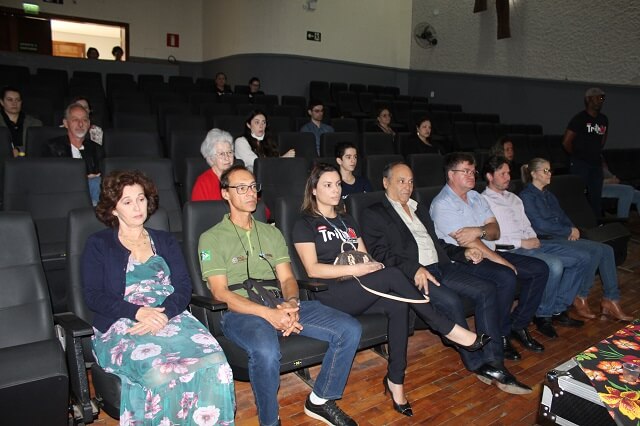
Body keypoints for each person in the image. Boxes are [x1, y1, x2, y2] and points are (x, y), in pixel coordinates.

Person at [293, 163, 490, 418]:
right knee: (394, 274)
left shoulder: (347, 220)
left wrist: (371, 265)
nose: (335, 190)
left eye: (338, 184)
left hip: (359, 287)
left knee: (398, 303)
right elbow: (312, 269)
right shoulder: (305, 223)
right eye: (327, 185)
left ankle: (396, 380)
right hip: (332, 293)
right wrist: (359, 269)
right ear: (314, 190)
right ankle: (446, 327)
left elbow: (365, 256)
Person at [199, 164, 361, 426]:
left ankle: (320, 400)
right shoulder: (211, 238)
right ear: (225, 194)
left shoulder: (271, 232)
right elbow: (220, 292)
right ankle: (269, 421)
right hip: (241, 311)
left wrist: (292, 303)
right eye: (242, 188)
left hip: (279, 302)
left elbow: (287, 279)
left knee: (349, 329)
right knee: (265, 350)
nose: (250, 193)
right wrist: (269, 315)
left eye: (253, 187)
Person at [361, 162, 531, 394]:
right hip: (413, 275)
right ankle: (476, 363)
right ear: (385, 182)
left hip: (441, 267)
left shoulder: (418, 208)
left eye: (410, 181)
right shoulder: (374, 213)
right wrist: (414, 269)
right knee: (450, 301)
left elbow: (437, 244)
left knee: (486, 289)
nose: (407, 186)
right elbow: (380, 254)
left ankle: (494, 361)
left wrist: (463, 252)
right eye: (401, 181)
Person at [82, 170, 235, 424]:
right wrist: (138, 312)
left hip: (170, 314)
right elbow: (93, 296)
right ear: (113, 209)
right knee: (161, 372)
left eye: (141, 199)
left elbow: (183, 286)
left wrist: (164, 314)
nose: (137, 207)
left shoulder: (165, 240)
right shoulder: (99, 244)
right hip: (122, 320)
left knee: (215, 362)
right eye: (127, 201)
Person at [430, 152, 549, 359]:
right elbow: (468, 242)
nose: (471, 175)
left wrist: (478, 230)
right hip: (465, 260)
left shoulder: (476, 197)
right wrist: (502, 261)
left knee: (540, 269)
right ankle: (500, 335)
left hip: (489, 253)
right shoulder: (442, 204)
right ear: (451, 174)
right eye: (465, 171)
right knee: (506, 276)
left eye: (472, 171)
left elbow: (495, 231)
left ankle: (517, 325)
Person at [481, 155, 588, 338]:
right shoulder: (483, 201)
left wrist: (533, 238)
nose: (508, 177)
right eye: (502, 174)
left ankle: (557, 309)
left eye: (509, 173)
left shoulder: (514, 198)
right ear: (490, 176)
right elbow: (490, 238)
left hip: (531, 243)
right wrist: (523, 242)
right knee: (554, 264)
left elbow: (526, 224)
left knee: (581, 258)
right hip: (511, 249)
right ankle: (543, 316)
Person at [519, 157, 633, 321]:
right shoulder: (527, 196)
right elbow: (540, 225)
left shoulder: (548, 195)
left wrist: (574, 229)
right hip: (546, 240)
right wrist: (568, 231)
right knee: (594, 252)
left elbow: (563, 216)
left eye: (550, 170)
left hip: (560, 236)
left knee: (606, 250)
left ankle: (611, 299)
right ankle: (581, 295)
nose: (550, 174)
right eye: (545, 170)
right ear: (533, 174)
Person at [44, 102, 104, 205]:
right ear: (66, 123)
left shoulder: (96, 149)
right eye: (75, 120)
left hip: (91, 195)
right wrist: (83, 179)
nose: (80, 124)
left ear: (89, 124)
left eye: (84, 120)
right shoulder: (52, 147)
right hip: (63, 195)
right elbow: (49, 179)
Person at [562, 87, 608, 216]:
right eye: (597, 97)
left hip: (596, 164)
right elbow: (566, 142)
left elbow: (602, 140)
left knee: (596, 197)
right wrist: (577, 156)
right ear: (588, 100)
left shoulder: (603, 119)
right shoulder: (580, 119)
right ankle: (579, 222)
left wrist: (595, 152)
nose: (600, 100)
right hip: (581, 163)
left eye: (602, 98)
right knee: (578, 194)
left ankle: (596, 223)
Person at [191, 128, 235, 201]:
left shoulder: (239, 176)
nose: (227, 158)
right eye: (221, 154)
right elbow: (199, 208)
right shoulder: (203, 183)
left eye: (230, 152)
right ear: (211, 158)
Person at [0, 86, 42, 156]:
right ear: (2, 102)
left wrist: (19, 150)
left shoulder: (35, 123)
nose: (14, 103)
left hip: (28, 159)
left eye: (17, 100)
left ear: (21, 102)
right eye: (10, 100)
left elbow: (37, 145)